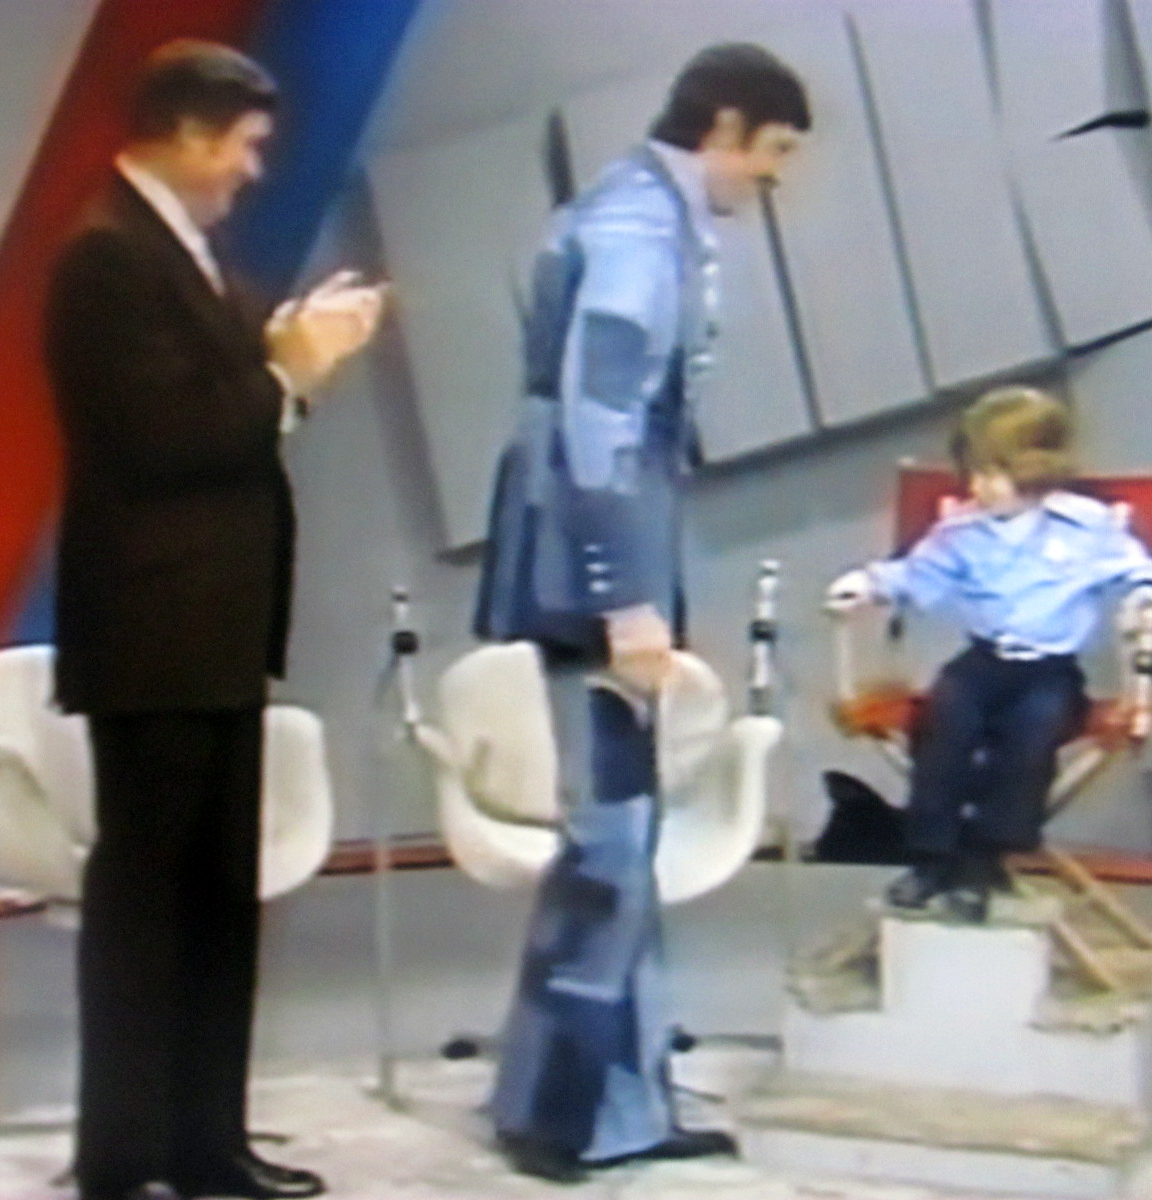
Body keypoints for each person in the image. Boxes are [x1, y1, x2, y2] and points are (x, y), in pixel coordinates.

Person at [46, 41, 384, 1200]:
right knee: (146, 908)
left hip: (218, 633)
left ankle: (206, 1145)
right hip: (153, 634)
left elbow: (220, 378)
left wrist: (291, 338)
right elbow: (165, 439)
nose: (251, 170)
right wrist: (289, 374)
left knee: (213, 905)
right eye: (244, 146)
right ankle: (124, 1159)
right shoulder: (104, 256)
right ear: (190, 133)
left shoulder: (181, 250)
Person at [472, 43, 810, 1183]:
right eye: (772, 150)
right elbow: (601, 419)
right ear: (725, 127)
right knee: (610, 843)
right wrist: (624, 600)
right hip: (589, 557)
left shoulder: (643, 213)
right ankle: (562, 1112)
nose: (774, 176)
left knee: (623, 833)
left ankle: (615, 1105)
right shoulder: (633, 230)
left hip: (603, 543)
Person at [825, 387, 1152, 923]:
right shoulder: (961, 531)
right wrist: (871, 584)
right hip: (982, 662)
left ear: (1036, 471)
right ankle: (933, 856)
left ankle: (986, 858)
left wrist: (1147, 598)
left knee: (1032, 736)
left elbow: (1138, 569)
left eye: (992, 475)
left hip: (1049, 671)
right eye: (973, 474)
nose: (977, 487)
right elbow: (916, 574)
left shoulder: (1088, 528)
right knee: (943, 721)